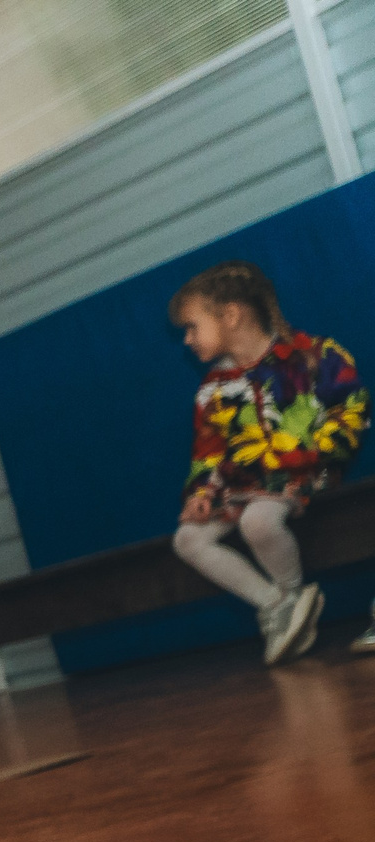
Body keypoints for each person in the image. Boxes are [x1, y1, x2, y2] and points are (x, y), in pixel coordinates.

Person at [167, 261, 367, 664]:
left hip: (306, 472)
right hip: (243, 483)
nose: (187, 339)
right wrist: (202, 492)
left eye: (192, 326)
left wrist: (312, 454)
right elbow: (207, 452)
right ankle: (279, 603)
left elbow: (351, 409)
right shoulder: (212, 389)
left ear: (231, 315)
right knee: (187, 539)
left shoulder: (314, 355)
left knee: (257, 521)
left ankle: (293, 593)